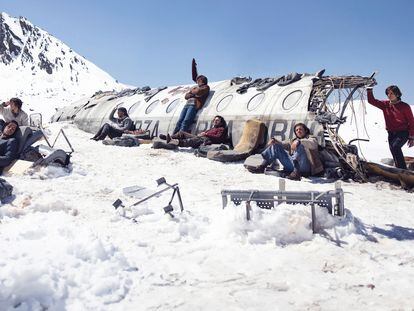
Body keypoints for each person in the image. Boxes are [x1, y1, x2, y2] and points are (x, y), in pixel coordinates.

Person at [367, 85, 414, 169]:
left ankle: (403, 170)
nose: (389, 95)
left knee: (396, 147)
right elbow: (371, 101)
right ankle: (399, 169)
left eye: (391, 93)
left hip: (403, 132)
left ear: (397, 94)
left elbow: (411, 122)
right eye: (388, 93)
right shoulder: (385, 104)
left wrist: (412, 136)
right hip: (391, 133)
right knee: (393, 149)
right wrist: (369, 90)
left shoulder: (405, 106)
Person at [257, 123, 324, 180]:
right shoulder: (294, 140)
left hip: (305, 167)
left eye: (300, 129)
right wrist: (276, 141)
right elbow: (285, 145)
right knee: (276, 146)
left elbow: (313, 144)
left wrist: (299, 141)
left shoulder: (311, 138)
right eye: (296, 130)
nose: (298, 131)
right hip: (293, 166)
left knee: (300, 146)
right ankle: (262, 166)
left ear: (305, 130)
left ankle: (296, 173)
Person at [173, 58, 210, 134]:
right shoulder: (196, 87)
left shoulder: (206, 87)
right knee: (180, 121)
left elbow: (198, 92)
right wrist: (193, 93)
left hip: (193, 105)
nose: (197, 81)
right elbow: (186, 96)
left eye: (198, 80)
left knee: (186, 121)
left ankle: (180, 136)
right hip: (187, 105)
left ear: (202, 80)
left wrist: (192, 92)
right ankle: (174, 135)